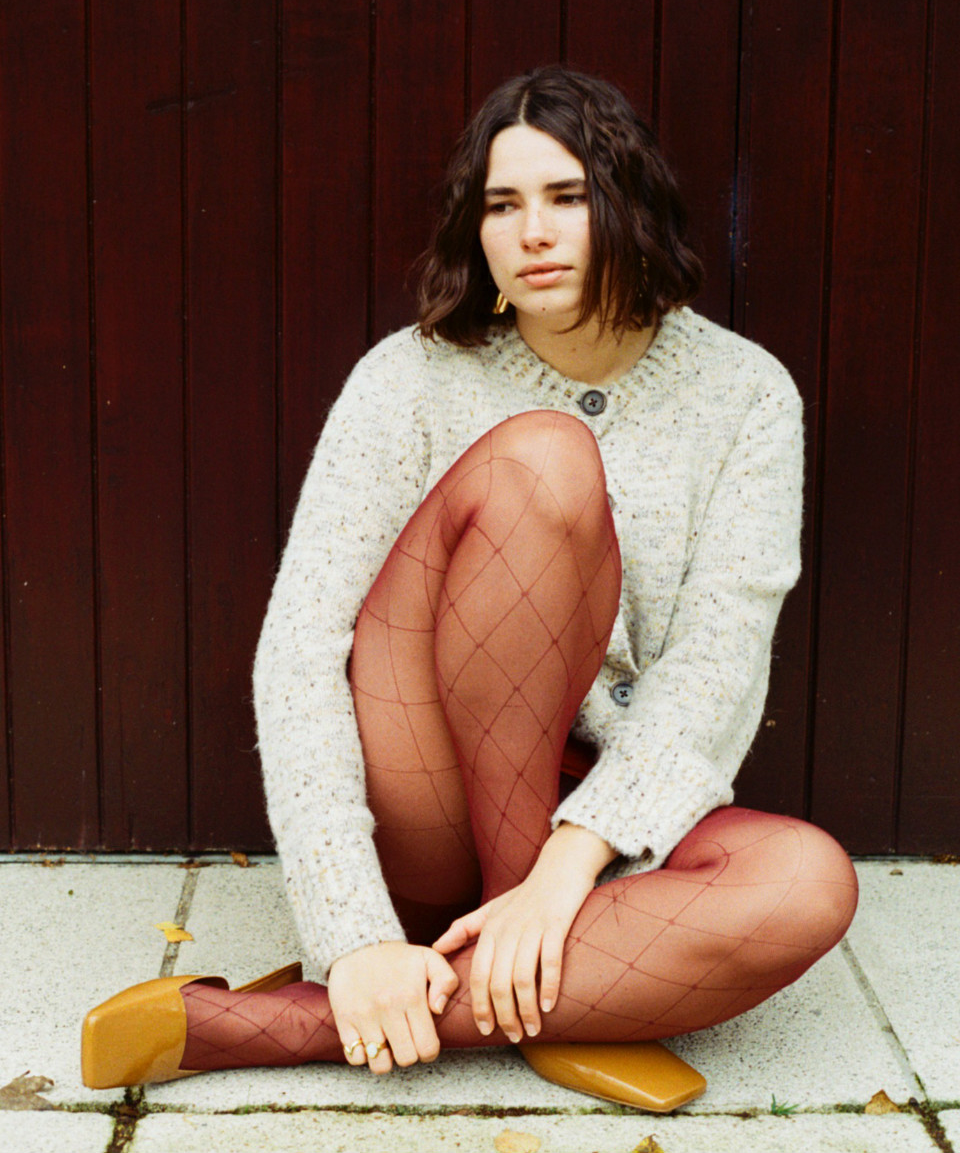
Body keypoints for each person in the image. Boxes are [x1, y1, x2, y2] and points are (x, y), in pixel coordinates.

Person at [82, 66, 858, 1109]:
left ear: (630, 205)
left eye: (568, 196)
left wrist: (563, 874)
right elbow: (300, 649)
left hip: (599, 813)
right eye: (501, 205)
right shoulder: (408, 377)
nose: (532, 232)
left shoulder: (745, 394)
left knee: (809, 882)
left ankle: (288, 1024)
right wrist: (353, 932)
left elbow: (720, 660)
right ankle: (520, 972)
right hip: (430, 788)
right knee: (543, 457)